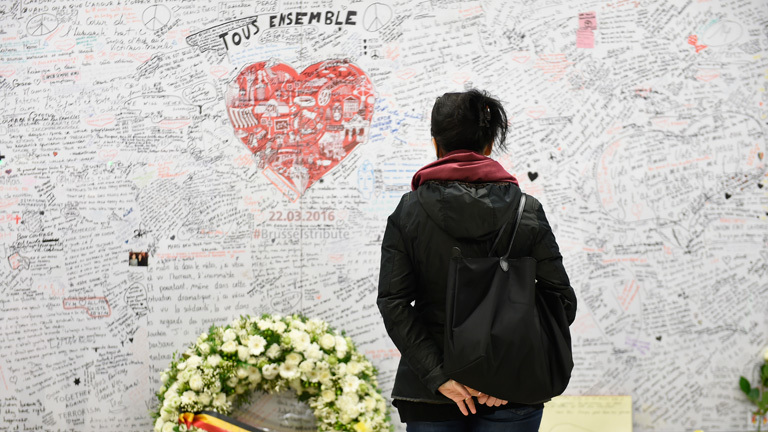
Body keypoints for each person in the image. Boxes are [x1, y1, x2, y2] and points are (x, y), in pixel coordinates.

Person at [377, 89, 577, 431]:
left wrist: (438, 375)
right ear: (488, 145)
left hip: (432, 392)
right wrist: (500, 373)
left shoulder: (408, 212)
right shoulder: (526, 211)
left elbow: (394, 302)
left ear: (436, 143)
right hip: (512, 392)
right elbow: (560, 301)